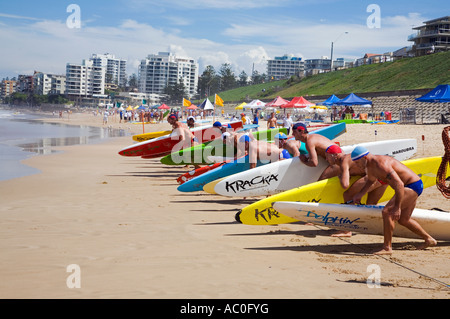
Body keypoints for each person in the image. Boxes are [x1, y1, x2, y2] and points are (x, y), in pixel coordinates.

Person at [350, 146, 437, 255]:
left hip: (411, 186)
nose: (357, 166)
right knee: (404, 219)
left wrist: (397, 207)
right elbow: (371, 181)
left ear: (365, 158)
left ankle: (387, 248)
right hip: (412, 185)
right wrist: (360, 194)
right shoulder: (370, 165)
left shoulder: (381, 164)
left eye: (357, 163)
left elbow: (399, 184)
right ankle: (429, 239)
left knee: (387, 212)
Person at [321, 144, 388, 237]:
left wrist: (340, 177)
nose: (326, 160)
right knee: (370, 204)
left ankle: (347, 230)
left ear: (334, 155)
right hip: (384, 178)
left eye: (327, 157)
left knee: (347, 195)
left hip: (373, 177)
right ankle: (372, 226)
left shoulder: (344, 161)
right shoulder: (348, 158)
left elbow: (345, 185)